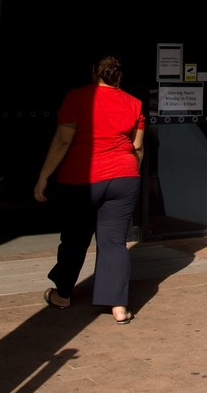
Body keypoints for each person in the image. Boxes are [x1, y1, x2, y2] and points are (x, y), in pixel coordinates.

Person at [34, 55, 145, 323]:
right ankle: (118, 307)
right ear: (119, 76)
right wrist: (129, 172)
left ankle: (62, 295)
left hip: (83, 179)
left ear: (94, 72)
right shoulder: (134, 103)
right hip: (125, 177)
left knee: (74, 238)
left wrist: (43, 177)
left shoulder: (78, 97)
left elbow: (62, 141)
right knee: (114, 242)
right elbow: (138, 147)